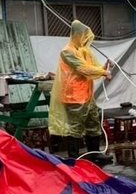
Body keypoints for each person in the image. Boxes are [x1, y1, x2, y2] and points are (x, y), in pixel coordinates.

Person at [48, 20, 113, 165]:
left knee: (93, 122)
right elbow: (83, 69)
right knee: (75, 127)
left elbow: (92, 68)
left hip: (87, 95)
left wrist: (104, 67)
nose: (85, 38)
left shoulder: (84, 51)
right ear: (77, 35)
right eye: (84, 35)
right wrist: (104, 72)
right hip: (73, 96)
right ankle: (74, 158)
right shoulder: (67, 52)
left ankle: (94, 154)